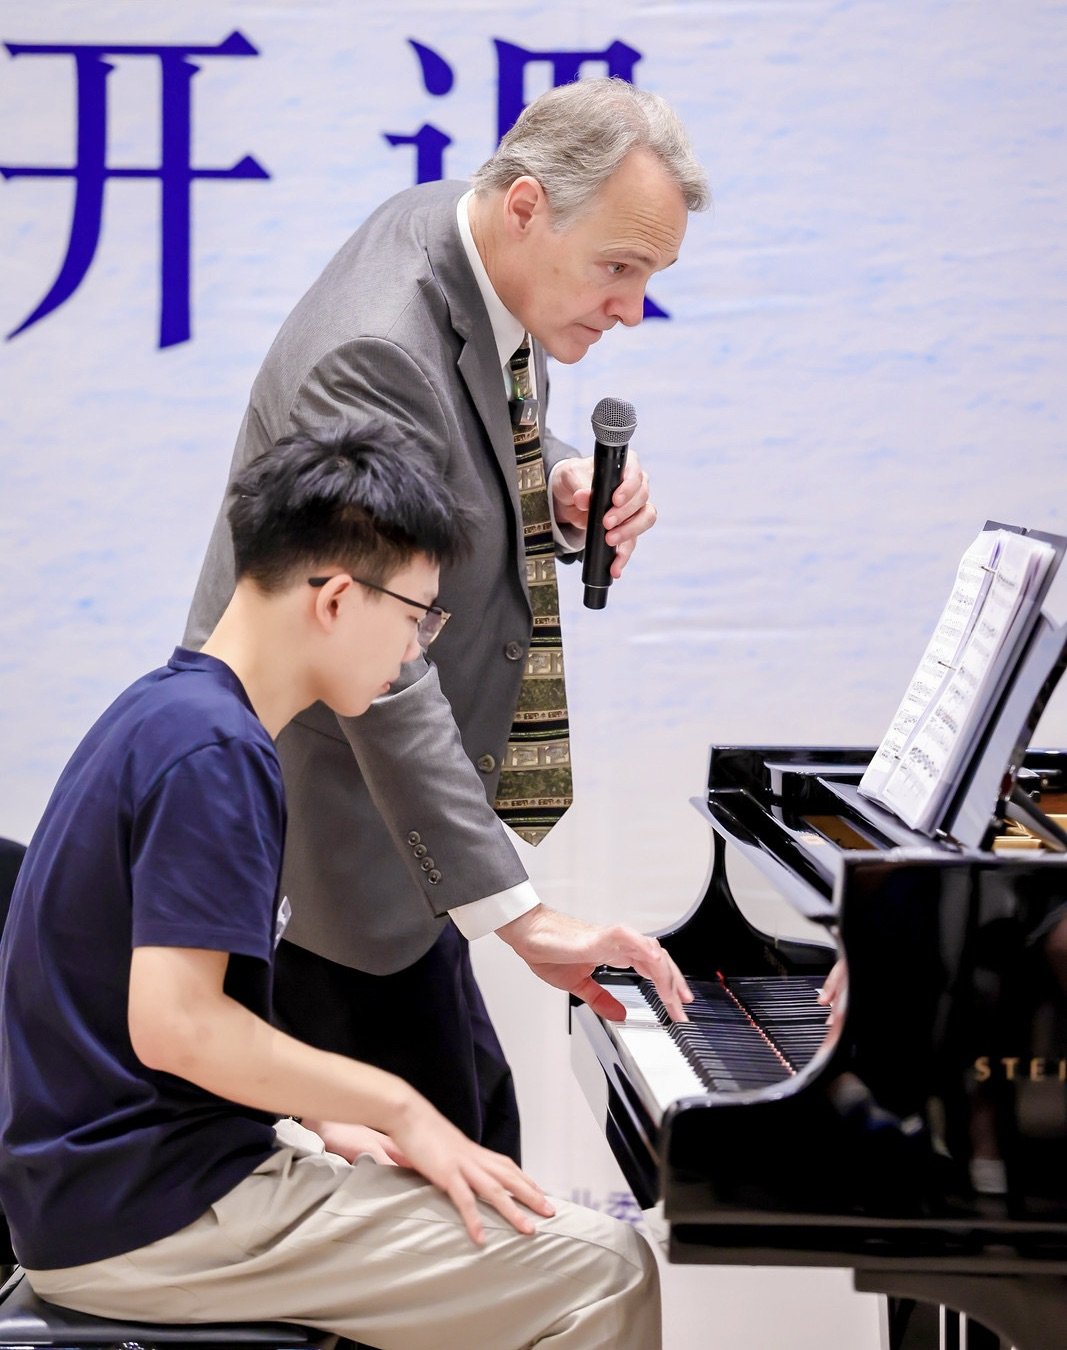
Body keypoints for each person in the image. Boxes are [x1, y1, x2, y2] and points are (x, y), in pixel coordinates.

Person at [0, 425, 662, 1349]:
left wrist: (316, 1114)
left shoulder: (171, 711)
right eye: (417, 618)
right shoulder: (213, 753)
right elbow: (176, 1026)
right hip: (151, 1215)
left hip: (118, 1192)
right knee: (601, 1270)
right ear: (339, 599)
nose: (411, 652)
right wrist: (390, 1105)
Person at [185, 76, 710, 1162]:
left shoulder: (464, 236)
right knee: (446, 1213)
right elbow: (378, 666)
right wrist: (522, 918)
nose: (628, 309)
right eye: (617, 269)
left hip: (390, 845)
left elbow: (468, 442)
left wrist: (553, 484)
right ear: (526, 207)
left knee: (481, 1139)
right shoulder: (375, 349)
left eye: (647, 278)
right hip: (322, 845)